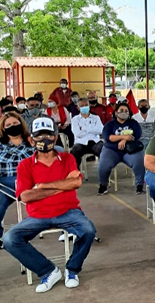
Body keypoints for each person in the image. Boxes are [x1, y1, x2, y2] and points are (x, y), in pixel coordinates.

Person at [3, 117, 96, 293]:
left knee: (88, 230)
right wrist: (62, 185)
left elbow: (75, 183)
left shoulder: (67, 158)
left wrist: (43, 186)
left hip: (68, 211)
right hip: (37, 216)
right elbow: (26, 195)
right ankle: (48, 271)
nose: (44, 140)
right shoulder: (26, 165)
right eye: (39, 136)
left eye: (49, 135)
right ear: (31, 139)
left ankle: (72, 269)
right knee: (9, 240)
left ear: (55, 137)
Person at [0, 112, 34, 246]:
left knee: (52, 194)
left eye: (15, 123)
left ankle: (66, 227)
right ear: (3, 128)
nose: (12, 126)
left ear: (21, 124)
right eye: (8, 125)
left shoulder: (32, 141)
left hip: (30, 181)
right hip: (6, 183)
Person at [97, 103, 146, 195]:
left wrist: (124, 140)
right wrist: (124, 138)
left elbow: (136, 135)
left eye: (126, 111)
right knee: (103, 164)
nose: (124, 113)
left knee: (139, 161)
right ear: (116, 113)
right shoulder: (110, 124)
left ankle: (139, 185)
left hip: (130, 150)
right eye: (121, 111)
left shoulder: (133, 123)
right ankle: (103, 185)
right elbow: (108, 137)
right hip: (112, 150)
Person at [70, 99, 104, 168]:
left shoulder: (96, 118)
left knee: (103, 149)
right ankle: (75, 173)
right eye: (82, 106)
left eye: (86, 105)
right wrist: (93, 129)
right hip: (80, 143)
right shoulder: (75, 119)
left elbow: (101, 130)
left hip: (95, 142)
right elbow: (77, 133)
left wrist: (84, 129)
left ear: (89, 106)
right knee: (74, 151)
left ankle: (103, 171)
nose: (84, 107)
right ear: (78, 108)